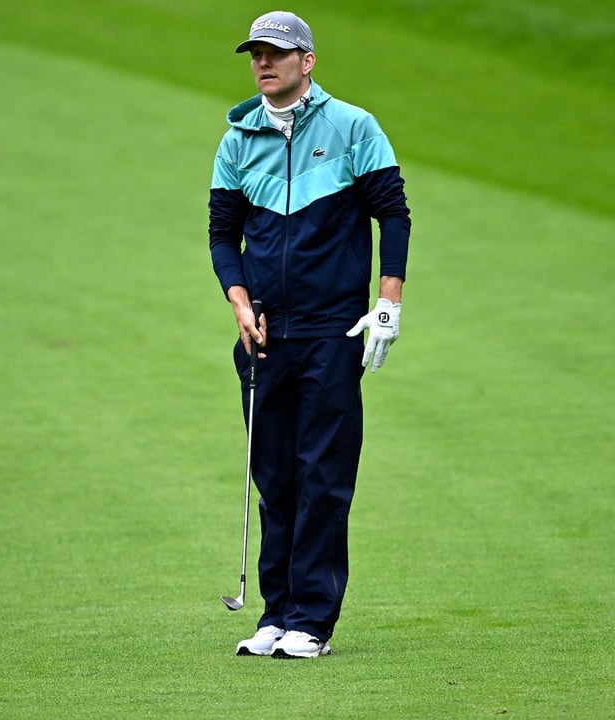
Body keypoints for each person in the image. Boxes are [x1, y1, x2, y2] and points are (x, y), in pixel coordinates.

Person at [208, 11, 411, 658]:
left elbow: (393, 215)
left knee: (321, 475)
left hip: (332, 330)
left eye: (276, 53)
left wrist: (388, 303)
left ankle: (313, 623)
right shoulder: (238, 138)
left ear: (307, 61)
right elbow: (222, 234)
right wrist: (239, 302)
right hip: (264, 335)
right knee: (275, 478)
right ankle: (276, 614)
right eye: (256, 54)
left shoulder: (353, 127)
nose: (264, 63)